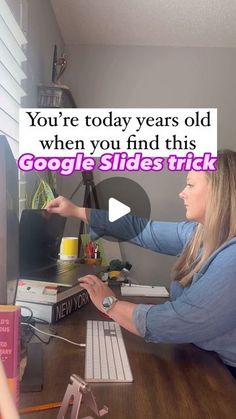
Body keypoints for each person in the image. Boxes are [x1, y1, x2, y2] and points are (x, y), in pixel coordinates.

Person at [46, 149, 236, 379]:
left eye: (191, 185)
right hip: (203, 356)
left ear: (219, 193)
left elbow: (179, 321)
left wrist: (110, 304)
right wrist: (76, 211)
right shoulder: (200, 234)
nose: (182, 193)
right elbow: (141, 230)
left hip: (226, 374)